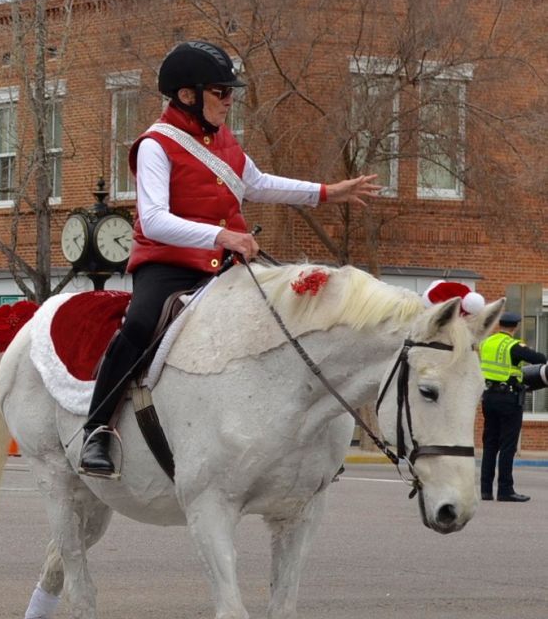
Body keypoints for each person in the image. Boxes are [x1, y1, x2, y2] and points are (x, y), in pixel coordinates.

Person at [78, 41, 381, 478]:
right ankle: (98, 429)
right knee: (140, 325)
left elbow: (256, 183)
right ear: (188, 95)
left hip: (224, 265)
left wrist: (326, 193)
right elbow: (156, 221)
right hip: (167, 266)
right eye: (220, 91)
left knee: (285, 314)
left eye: (229, 91)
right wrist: (224, 235)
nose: (229, 98)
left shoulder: (222, 141)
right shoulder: (154, 146)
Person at [478, 311, 546, 503]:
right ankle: (505, 490)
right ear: (515, 326)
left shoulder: (486, 343)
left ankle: (485, 490)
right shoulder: (513, 346)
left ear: (500, 324)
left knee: (490, 444)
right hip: (508, 399)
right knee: (508, 445)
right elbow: (539, 358)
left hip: (488, 397)